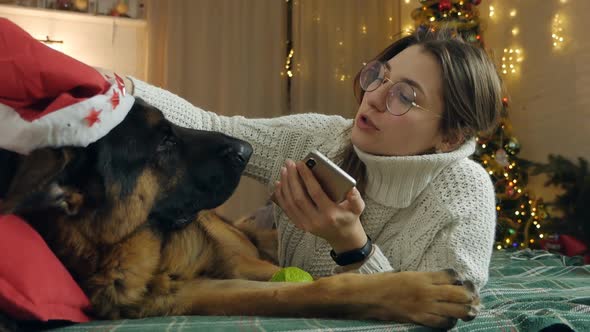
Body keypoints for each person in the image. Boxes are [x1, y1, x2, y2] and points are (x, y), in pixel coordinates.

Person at [119, 28, 502, 290]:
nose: (372, 97)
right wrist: (117, 88)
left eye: (404, 96)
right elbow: (209, 126)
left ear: (449, 137)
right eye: (380, 77)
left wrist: (353, 246)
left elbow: (444, 311)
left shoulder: (465, 190)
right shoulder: (319, 137)